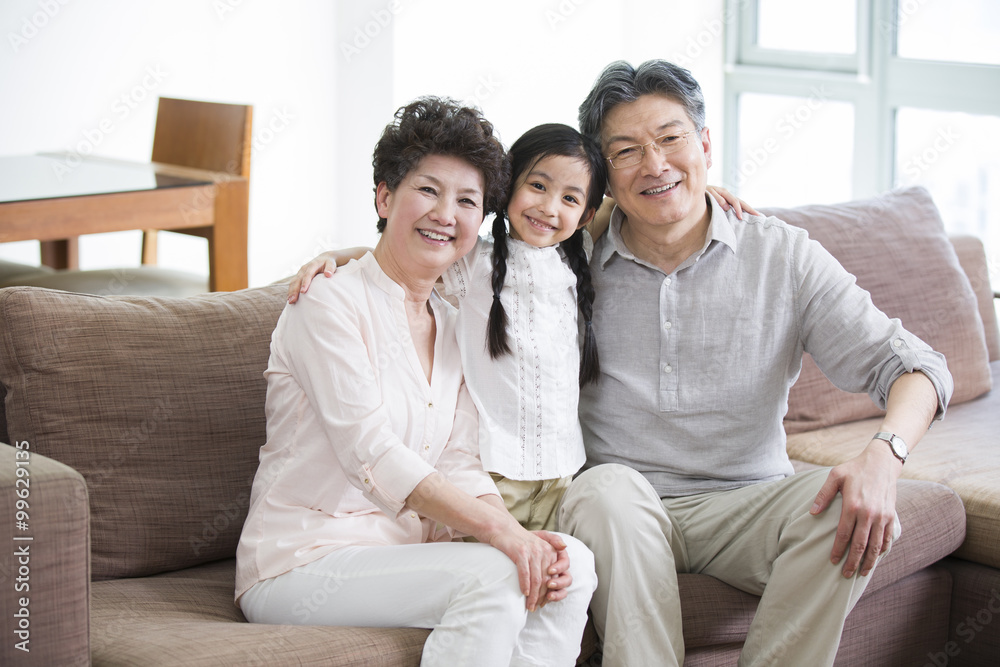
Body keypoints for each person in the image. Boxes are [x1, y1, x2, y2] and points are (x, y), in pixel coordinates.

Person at [553, 60, 953, 666]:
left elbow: (917, 367)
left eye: (670, 138)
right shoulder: (563, 258)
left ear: (706, 145)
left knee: (851, 503)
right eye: (627, 150)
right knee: (606, 492)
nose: (655, 164)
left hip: (748, 502)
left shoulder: (781, 255)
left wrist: (884, 456)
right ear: (603, 174)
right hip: (620, 503)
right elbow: (468, 243)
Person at [235, 97, 597, 667]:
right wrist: (503, 535)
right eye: (428, 191)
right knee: (495, 576)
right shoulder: (328, 303)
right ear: (384, 196)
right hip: (303, 561)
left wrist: (517, 535)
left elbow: (459, 457)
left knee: (568, 563)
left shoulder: (453, 324)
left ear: (483, 220)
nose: (446, 214)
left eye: (467, 202)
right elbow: (370, 452)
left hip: (402, 558)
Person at [289, 123, 755, 534]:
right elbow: (405, 255)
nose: (550, 207)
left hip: (562, 475)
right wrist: (339, 258)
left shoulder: (580, 258)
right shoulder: (473, 262)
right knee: (504, 581)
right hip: (490, 478)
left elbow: (629, 203)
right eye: (536, 186)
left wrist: (701, 194)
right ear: (509, 188)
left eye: (569, 199)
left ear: (586, 215)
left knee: (559, 583)